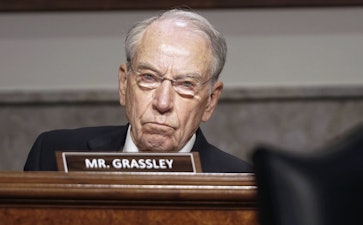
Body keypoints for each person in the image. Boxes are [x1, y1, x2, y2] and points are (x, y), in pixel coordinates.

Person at [24, 9, 252, 173]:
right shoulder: (53, 153)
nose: (163, 103)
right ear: (124, 84)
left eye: (185, 84)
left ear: (210, 101)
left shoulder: (246, 183)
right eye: (149, 78)